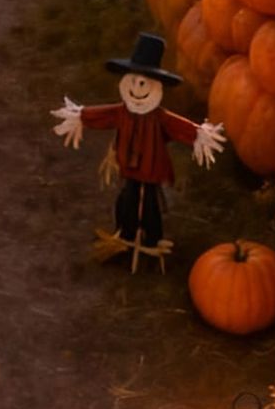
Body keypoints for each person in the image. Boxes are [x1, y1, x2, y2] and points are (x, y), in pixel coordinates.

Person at [52, 32, 226, 269]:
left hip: (151, 170)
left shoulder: (160, 118)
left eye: (143, 82)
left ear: (155, 86)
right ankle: (125, 237)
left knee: (151, 205)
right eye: (133, 80)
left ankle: (152, 241)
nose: (137, 87)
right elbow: (102, 115)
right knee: (127, 200)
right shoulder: (122, 112)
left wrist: (199, 134)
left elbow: (180, 128)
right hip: (129, 168)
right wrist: (80, 116)